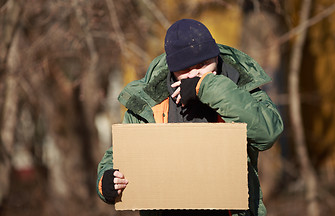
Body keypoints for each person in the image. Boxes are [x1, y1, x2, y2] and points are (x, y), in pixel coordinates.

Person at [96, 19, 283, 216]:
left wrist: (208, 87)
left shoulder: (241, 85)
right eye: (184, 69)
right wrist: (107, 181)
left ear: (215, 56)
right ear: (172, 68)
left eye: (202, 65)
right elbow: (122, 154)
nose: (194, 73)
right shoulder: (149, 100)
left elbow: (268, 133)